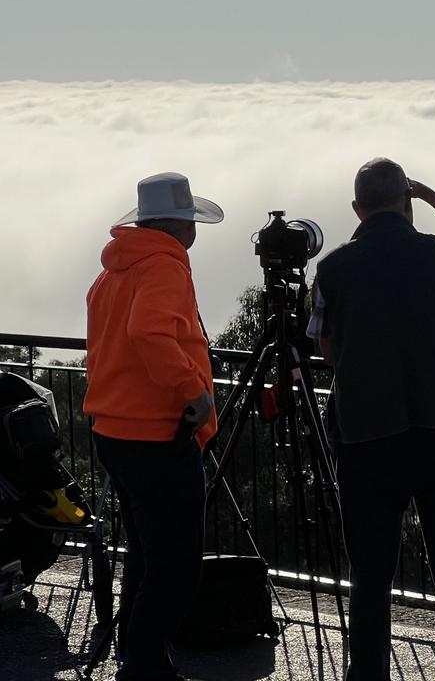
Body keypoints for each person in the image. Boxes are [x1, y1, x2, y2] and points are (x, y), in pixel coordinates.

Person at [307, 158, 435, 681]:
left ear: (357, 208)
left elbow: (326, 350)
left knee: (370, 571)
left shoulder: (332, 269)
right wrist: (434, 196)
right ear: (406, 201)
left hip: (368, 436)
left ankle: (368, 673)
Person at [85, 172, 224, 681]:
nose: (192, 233)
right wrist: (196, 392)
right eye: (189, 221)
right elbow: (148, 332)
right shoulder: (163, 266)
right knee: (177, 565)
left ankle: (138, 654)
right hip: (156, 433)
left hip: (113, 428)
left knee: (148, 551)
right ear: (174, 225)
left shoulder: (113, 271)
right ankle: (143, 663)